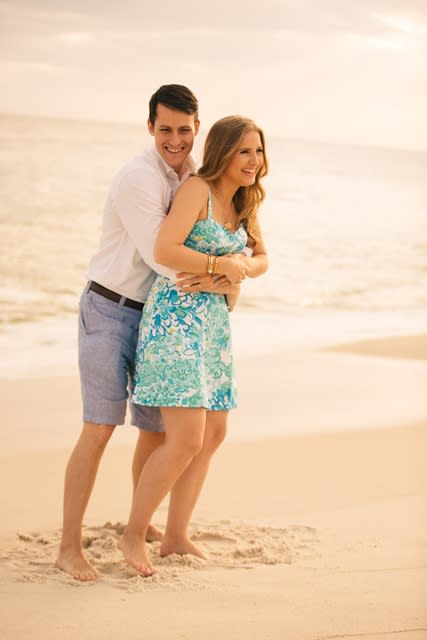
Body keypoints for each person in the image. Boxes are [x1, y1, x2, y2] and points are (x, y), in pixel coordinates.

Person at [55, 85, 236, 581]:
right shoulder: (138, 177)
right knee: (98, 429)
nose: (174, 139)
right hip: (111, 310)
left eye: (183, 129)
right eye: (164, 129)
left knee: (155, 431)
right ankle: (69, 546)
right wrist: (226, 271)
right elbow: (163, 253)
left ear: (197, 128)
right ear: (150, 128)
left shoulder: (195, 178)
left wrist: (234, 270)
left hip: (158, 320)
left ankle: (145, 524)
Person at [119, 114, 269, 576]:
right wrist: (218, 262)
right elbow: (164, 249)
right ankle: (133, 534)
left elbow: (261, 258)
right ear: (224, 151)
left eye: (258, 151)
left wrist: (234, 271)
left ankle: (177, 536)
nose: (253, 161)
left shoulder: (245, 201)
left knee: (214, 435)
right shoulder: (196, 191)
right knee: (184, 439)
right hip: (176, 323)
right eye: (245, 151)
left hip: (214, 327)